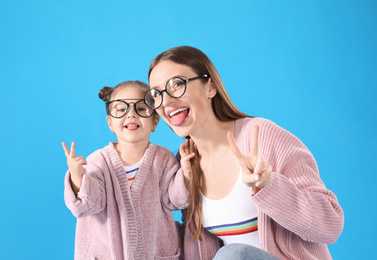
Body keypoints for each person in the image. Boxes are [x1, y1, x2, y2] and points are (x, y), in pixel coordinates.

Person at [145, 46, 344, 260]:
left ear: (210, 87)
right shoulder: (185, 165)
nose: (166, 101)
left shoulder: (263, 136)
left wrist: (270, 186)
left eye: (177, 84)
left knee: (233, 254)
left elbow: (330, 225)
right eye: (157, 94)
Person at [62, 80, 194, 260]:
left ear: (155, 121)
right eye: (121, 109)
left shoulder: (163, 159)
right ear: (110, 123)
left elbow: (176, 201)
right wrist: (78, 176)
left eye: (141, 109)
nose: (131, 115)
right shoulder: (98, 162)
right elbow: (87, 205)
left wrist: (186, 173)